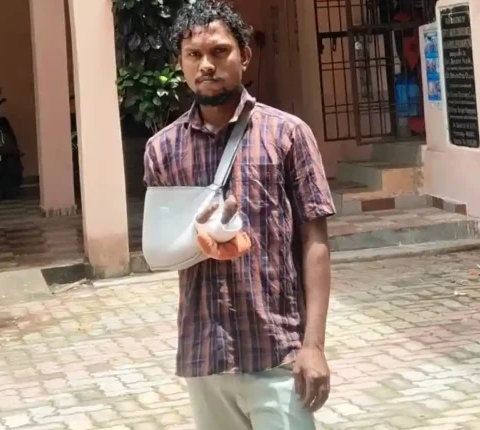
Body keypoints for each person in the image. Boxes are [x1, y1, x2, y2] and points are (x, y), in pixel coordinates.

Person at [142, 1, 335, 429]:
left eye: (219, 51)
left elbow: (315, 241)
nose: (206, 65)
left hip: (277, 352)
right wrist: (199, 237)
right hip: (205, 357)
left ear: (244, 56)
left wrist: (314, 345)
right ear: (180, 63)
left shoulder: (287, 135)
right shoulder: (162, 150)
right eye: (193, 55)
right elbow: (160, 247)